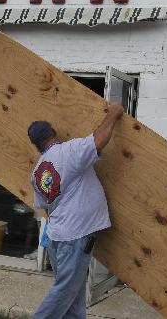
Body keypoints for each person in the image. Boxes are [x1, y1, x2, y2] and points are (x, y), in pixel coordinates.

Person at [28, 101, 124, 319]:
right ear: (54, 133)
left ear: (36, 145)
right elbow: (98, 140)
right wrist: (114, 114)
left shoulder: (36, 172)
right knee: (65, 291)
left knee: (74, 297)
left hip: (58, 237)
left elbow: (46, 208)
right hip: (74, 237)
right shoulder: (67, 151)